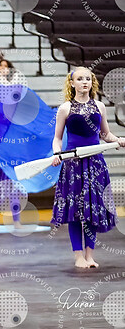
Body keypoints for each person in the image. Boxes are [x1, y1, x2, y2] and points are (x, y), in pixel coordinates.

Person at [51, 66, 124, 268]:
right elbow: (57, 139)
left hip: (95, 164)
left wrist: (117, 140)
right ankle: (78, 257)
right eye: (80, 79)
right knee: (76, 211)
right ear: (72, 83)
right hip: (73, 165)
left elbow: (105, 135)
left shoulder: (100, 106)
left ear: (92, 83)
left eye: (88, 79)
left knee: (92, 209)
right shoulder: (65, 108)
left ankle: (89, 255)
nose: (85, 82)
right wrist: (56, 153)